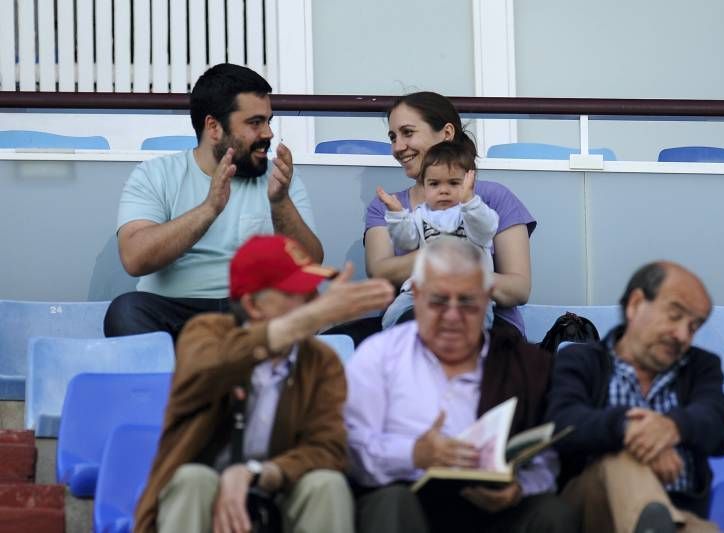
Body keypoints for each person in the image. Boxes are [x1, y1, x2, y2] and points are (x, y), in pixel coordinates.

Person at [133, 234, 395, 533]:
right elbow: (206, 369)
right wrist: (307, 320)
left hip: (279, 490)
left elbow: (329, 449)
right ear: (252, 306)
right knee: (194, 479)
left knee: (327, 484)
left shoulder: (320, 359)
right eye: (295, 292)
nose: (312, 302)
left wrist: (259, 473)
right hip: (205, 496)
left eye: (312, 290)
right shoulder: (205, 333)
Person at [345, 237, 578, 533]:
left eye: (467, 302)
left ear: (487, 298)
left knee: (551, 514)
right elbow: (351, 448)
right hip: (407, 500)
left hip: (493, 509)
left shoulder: (517, 361)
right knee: (390, 502)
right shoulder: (380, 356)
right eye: (439, 300)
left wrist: (520, 487)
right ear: (416, 294)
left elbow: (547, 461)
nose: (452, 316)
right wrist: (413, 454)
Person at [104, 63, 322, 339]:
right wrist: (209, 209)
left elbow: (310, 264)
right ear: (213, 127)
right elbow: (135, 258)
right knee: (126, 311)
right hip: (175, 313)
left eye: (269, 121)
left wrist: (280, 203)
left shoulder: (280, 178)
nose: (268, 133)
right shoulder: (155, 175)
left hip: (253, 313)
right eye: (255, 123)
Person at [546, 261, 724, 533]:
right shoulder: (580, 360)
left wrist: (672, 427)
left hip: (681, 516)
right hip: (592, 515)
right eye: (674, 316)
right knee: (621, 460)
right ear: (635, 304)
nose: (683, 335)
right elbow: (561, 422)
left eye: (693, 327)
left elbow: (721, 425)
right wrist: (628, 429)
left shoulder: (701, 366)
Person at [339, 91, 535, 344]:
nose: (398, 147)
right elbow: (380, 272)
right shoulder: (388, 205)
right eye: (393, 137)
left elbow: (519, 289)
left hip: (489, 322)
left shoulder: (494, 197)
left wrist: (462, 277)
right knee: (328, 345)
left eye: (408, 133)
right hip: (409, 318)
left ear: (446, 133)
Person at [378, 141, 499, 330]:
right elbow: (406, 241)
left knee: (477, 324)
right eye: (434, 184)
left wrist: (470, 202)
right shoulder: (420, 214)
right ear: (424, 187)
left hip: (469, 290)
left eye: (454, 183)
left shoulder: (472, 212)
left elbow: (486, 229)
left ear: (470, 183)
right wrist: (397, 214)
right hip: (425, 288)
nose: (443, 190)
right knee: (391, 318)